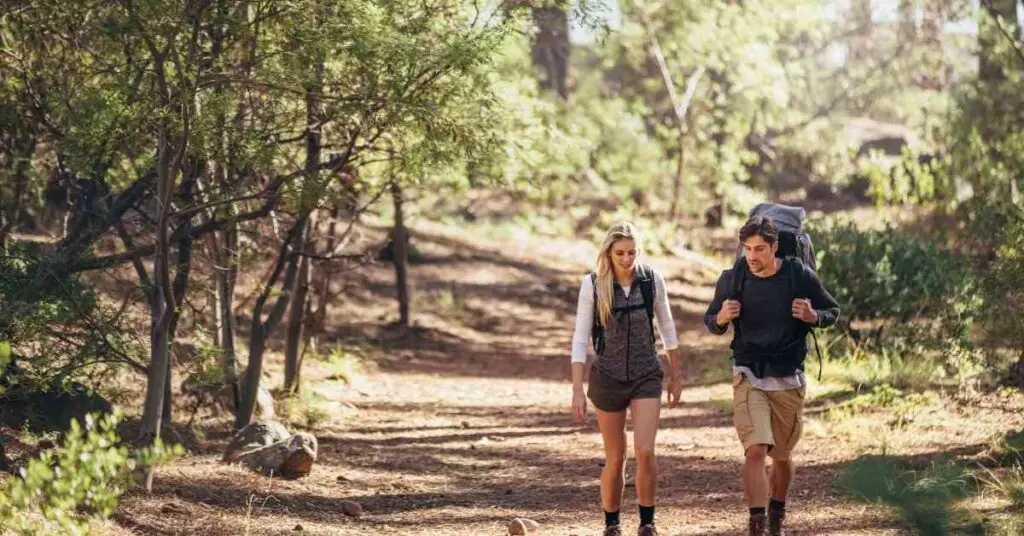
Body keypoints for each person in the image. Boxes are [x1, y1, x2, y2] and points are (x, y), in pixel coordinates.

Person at [703, 215, 840, 536]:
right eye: (748, 249)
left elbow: (832, 311)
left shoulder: (798, 275)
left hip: (788, 376)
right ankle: (757, 522)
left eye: (760, 249)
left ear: (775, 247)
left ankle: (777, 510)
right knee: (755, 449)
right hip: (748, 372)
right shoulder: (733, 278)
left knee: (781, 454)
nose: (753, 256)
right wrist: (721, 317)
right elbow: (711, 319)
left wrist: (812, 315)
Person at [570, 222, 683, 536]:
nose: (626, 258)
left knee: (645, 450)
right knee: (615, 457)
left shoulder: (651, 281)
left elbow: (668, 329)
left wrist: (676, 375)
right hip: (607, 377)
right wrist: (577, 389)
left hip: (646, 373)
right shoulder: (592, 285)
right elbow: (580, 339)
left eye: (632, 252)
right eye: (620, 252)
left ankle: (647, 523)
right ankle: (612, 524)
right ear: (608, 252)